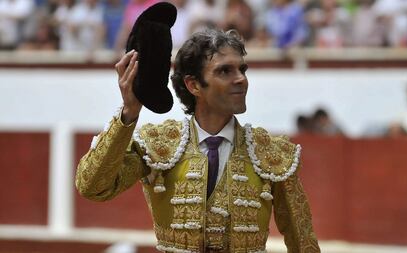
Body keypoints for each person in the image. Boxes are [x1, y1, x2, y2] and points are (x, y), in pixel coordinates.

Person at [76, 28, 320, 252]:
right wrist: (129, 113)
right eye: (225, 70)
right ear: (193, 85)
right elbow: (93, 187)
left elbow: (303, 241)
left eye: (242, 69)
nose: (241, 79)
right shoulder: (158, 145)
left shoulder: (270, 152)